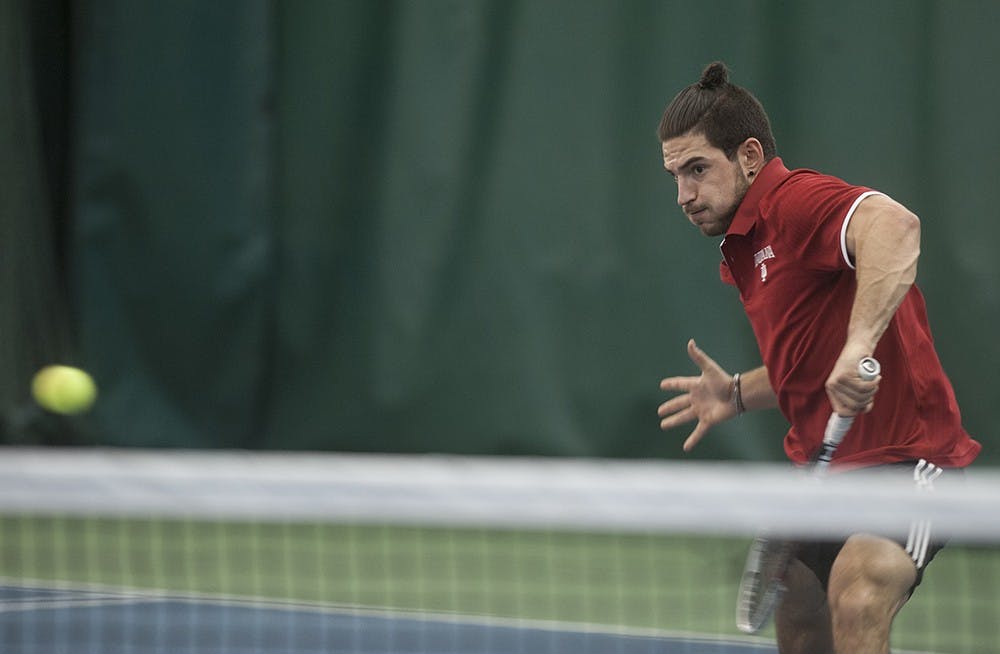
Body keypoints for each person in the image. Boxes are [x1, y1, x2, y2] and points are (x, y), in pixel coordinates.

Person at [655, 61, 981, 654]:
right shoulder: (744, 245)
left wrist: (859, 346)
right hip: (826, 474)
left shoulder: (795, 202)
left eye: (697, 169)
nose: (684, 195)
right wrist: (736, 393)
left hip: (909, 459)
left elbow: (896, 226)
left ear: (749, 156)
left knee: (857, 592)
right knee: (801, 612)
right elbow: (807, 364)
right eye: (675, 175)